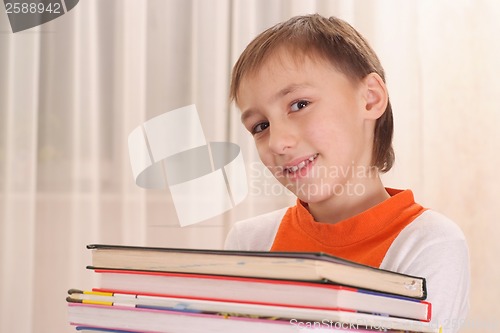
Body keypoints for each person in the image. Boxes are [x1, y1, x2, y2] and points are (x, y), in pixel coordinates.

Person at [224, 14, 469, 332]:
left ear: (370, 99)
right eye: (261, 126)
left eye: (299, 105)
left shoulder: (430, 243)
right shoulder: (249, 242)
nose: (278, 142)